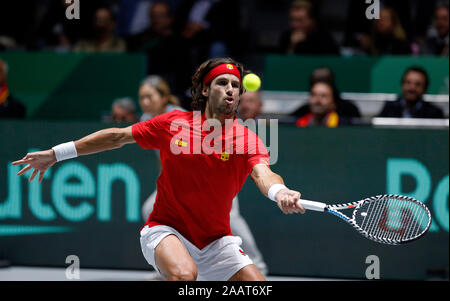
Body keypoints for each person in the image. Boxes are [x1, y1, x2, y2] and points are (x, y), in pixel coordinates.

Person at [12, 57, 306, 281]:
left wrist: (280, 192)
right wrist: (56, 154)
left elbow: (263, 173)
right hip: (166, 230)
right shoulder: (173, 123)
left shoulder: (247, 138)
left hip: (216, 240)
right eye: (222, 83)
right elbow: (116, 137)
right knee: (184, 276)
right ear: (205, 89)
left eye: (235, 86)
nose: (231, 89)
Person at [292, 67, 361, 121]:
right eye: (314, 95)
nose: (318, 100)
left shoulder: (349, 114)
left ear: (333, 102)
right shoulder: (301, 116)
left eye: (323, 96)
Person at [378, 66, 444, 118]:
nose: (412, 88)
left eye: (418, 84)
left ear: (425, 89)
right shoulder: (389, 109)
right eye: (408, 82)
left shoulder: (434, 113)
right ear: (402, 85)